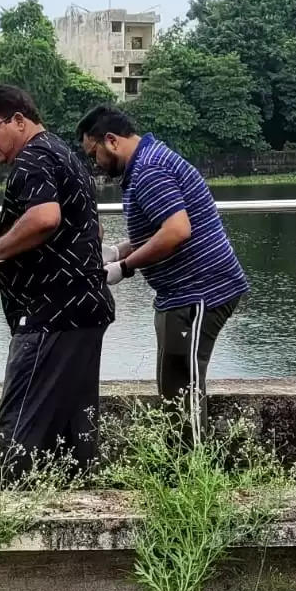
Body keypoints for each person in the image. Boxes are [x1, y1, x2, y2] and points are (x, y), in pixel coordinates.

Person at [0, 85, 113, 471]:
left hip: (49, 316)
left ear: (18, 120)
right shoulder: (66, 155)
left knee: (19, 436)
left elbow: (45, 217)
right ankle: (79, 509)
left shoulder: (32, 158)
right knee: (73, 435)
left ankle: (9, 515)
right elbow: (93, 231)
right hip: (85, 313)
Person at [78, 106, 249, 440]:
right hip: (181, 293)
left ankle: (195, 478)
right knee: (174, 386)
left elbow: (176, 231)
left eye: (94, 153)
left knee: (184, 388)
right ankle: (181, 469)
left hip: (201, 290)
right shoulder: (147, 163)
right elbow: (160, 227)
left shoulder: (149, 170)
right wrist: (118, 251)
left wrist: (124, 268)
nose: (95, 163)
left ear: (111, 141)